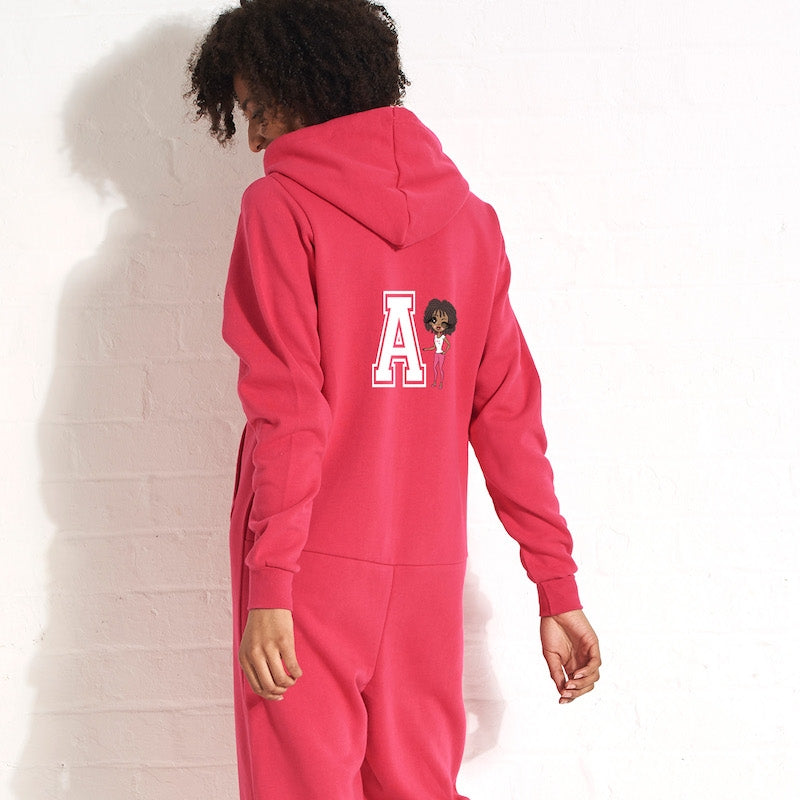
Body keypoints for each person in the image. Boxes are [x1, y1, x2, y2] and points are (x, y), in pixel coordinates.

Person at [188, 1, 600, 798]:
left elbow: (290, 412)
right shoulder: (472, 224)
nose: (255, 139)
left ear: (301, 86)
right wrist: (557, 589)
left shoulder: (280, 208)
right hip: (426, 581)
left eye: (255, 107)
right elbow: (509, 420)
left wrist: (271, 584)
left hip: (307, 572)